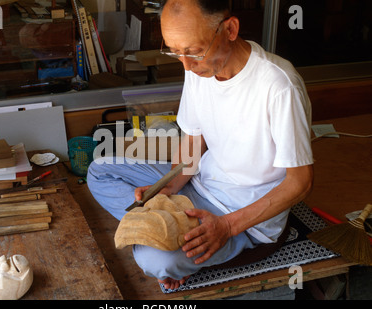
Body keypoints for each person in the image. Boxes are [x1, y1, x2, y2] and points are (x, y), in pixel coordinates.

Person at [87, 0, 313, 290]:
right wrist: (167, 189)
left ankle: (182, 238)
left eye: (193, 52)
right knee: (99, 170)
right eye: (175, 52)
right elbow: (194, 139)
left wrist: (227, 226)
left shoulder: (279, 86)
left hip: (241, 215)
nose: (186, 65)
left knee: (155, 261)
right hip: (198, 186)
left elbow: (301, 182)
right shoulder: (198, 66)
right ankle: (163, 228)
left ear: (230, 29)